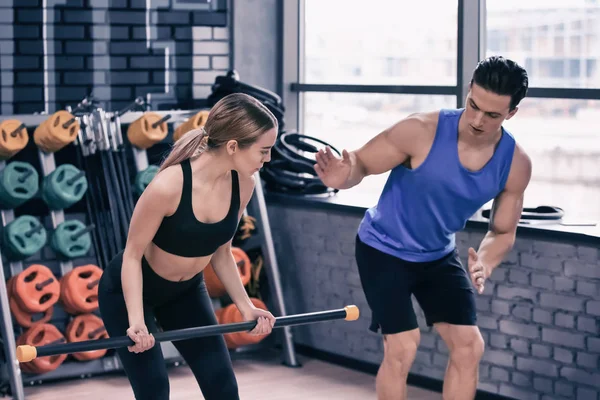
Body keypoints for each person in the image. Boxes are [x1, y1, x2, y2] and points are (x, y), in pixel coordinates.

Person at [314, 56, 532, 400]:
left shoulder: (515, 163)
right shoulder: (420, 131)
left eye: (492, 115)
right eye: (473, 105)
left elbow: (502, 231)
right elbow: (361, 163)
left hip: (437, 255)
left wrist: (484, 262)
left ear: (511, 113)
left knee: (469, 346)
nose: (476, 119)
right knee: (402, 346)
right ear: (468, 91)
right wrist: (344, 174)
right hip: (382, 249)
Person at [98, 93, 279, 400]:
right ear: (233, 146)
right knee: (154, 390)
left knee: (222, 386)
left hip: (185, 292)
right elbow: (132, 256)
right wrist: (137, 323)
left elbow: (221, 254)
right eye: (264, 150)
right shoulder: (168, 186)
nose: (269, 158)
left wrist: (245, 305)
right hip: (130, 292)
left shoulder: (243, 184)